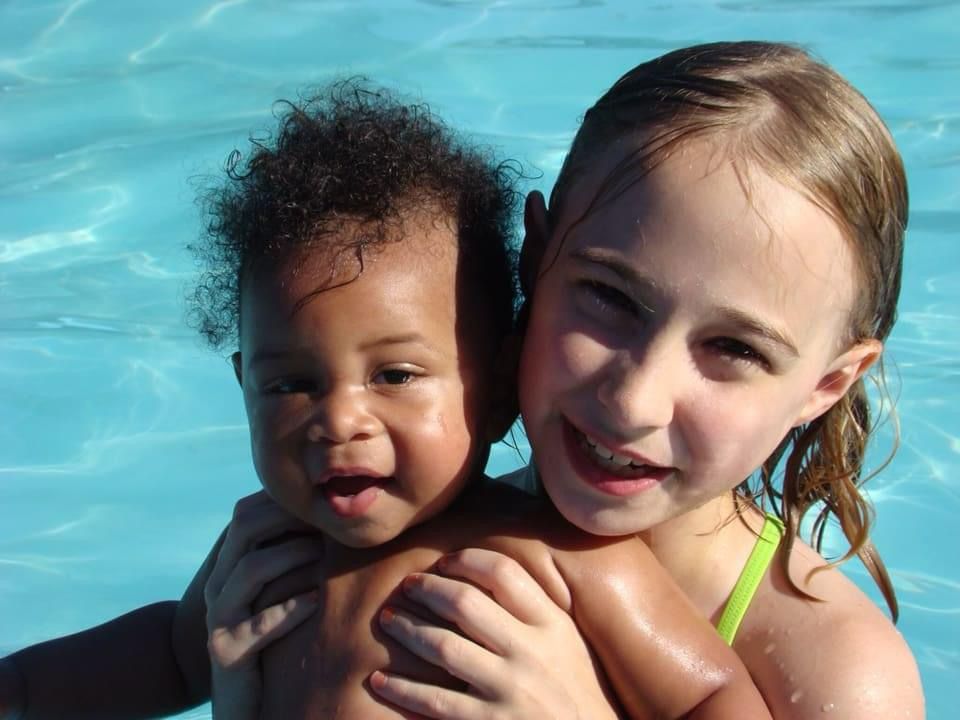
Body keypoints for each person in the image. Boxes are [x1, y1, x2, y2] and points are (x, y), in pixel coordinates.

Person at [0, 78, 770, 720]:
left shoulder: (556, 559)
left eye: (395, 376)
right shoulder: (262, 550)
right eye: (290, 384)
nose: (337, 420)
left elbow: (713, 696)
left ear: (498, 385)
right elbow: (168, 657)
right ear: (243, 388)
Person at [364, 41, 926, 719]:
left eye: (734, 348)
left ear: (825, 386)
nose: (634, 401)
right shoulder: (407, 528)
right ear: (536, 260)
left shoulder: (839, 675)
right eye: (611, 298)